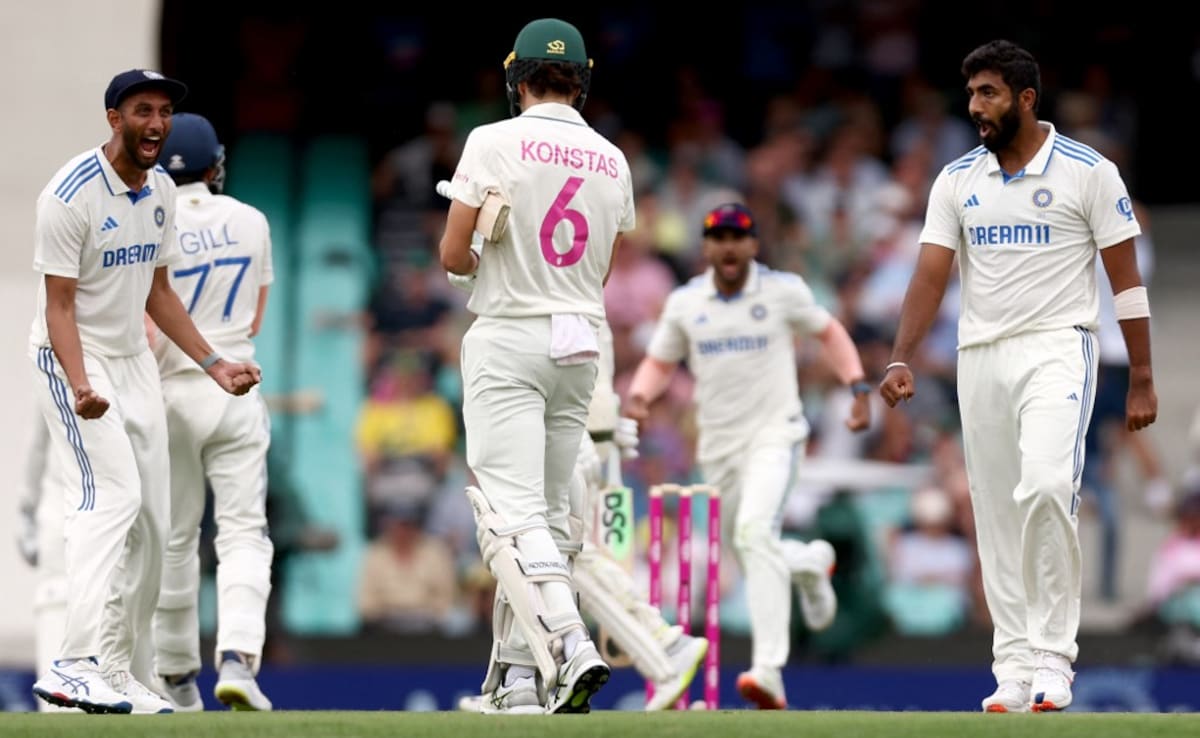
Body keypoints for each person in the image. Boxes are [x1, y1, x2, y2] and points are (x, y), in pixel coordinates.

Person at [878, 40, 1157, 714]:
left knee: (1046, 486)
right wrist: (900, 355)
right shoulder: (957, 179)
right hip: (981, 357)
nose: (975, 106)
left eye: (989, 93)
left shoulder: (1090, 172)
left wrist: (1143, 375)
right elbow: (930, 275)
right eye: (971, 93)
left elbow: (1126, 283)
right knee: (998, 516)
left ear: (1027, 99)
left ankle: (1054, 660)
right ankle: (1011, 668)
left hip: (1059, 348)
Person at [28, 69, 261, 715]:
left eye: (162, 112)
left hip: (135, 360)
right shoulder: (69, 194)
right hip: (74, 359)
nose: (155, 123)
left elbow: (160, 294)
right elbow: (60, 307)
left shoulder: (160, 190)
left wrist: (214, 363)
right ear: (114, 118)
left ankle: (122, 667)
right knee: (113, 501)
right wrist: (81, 384)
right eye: (141, 111)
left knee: (158, 525)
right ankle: (75, 665)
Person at [437, 18, 635, 714]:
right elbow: (604, 265)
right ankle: (517, 682)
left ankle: (568, 647)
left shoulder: (491, 141)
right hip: (579, 341)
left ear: (516, 77)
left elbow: (453, 254)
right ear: (581, 81)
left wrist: (486, 263)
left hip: (510, 333)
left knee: (507, 516)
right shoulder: (613, 158)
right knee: (548, 519)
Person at [625, 201, 871, 709]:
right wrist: (641, 398)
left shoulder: (782, 292)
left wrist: (856, 385)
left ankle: (768, 670)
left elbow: (829, 332)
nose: (729, 246)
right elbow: (659, 361)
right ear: (706, 247)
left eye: (738, 237)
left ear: (754, 245)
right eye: (718, 237)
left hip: (775, 436)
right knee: (752, 548)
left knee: (754, 533)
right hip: (717, 447)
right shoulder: (686, 302)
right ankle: (807, 562)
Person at [454, 315, 709, 712]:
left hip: (572, 429)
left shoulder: (552, 281)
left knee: (535, 543)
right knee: (540, 544)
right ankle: (520, 679)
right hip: (574, 424)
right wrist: (605, 425)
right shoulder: (574, 282)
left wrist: (597, 432)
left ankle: (652, 646)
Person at [149, 112, 276, 712]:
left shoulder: (150, 220)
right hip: (236, 387)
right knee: (244, 531)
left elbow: (144, 322)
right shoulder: (251, 220)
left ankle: (175, 675)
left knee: (175, 539)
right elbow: (254, 319)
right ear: (214, 165)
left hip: (172, 392)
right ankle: (238, 659)